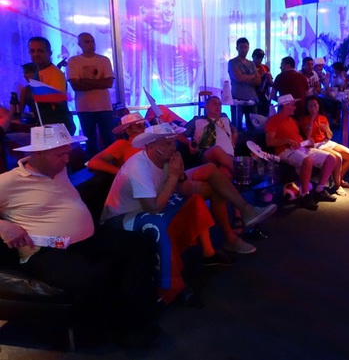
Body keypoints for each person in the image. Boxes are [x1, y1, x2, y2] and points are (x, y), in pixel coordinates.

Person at [0, 123, 158, 345]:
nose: (67, 159)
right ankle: (117, 331)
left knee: (141, 245)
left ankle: (136, 316)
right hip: (45, 251)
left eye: (68, 153)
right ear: (38, 153)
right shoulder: (9, 181)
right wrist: (3, 226)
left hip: (86, 239)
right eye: (60, 154)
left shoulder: (58, 170)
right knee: (92, 276)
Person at [102, 123, 239, 304]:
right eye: (166, 144)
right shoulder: (139, 167)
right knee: (157, 224)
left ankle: (209, 253)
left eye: (173, 142)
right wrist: (173, 177)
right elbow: (154, 208)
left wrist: (180, 175)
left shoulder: (166, 161)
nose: (172, 147)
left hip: (147, 205)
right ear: (151, 146)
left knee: (194, 200)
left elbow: (186, 191)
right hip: (121, 217)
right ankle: (172, 286)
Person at [265, 94, 337, 211]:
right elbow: (270, 142)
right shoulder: (273, 120)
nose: (295, 107)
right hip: (284, 150)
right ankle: (305, 195)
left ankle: (320, 189)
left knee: (331, 158)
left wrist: (308, 141)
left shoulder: (293, 120)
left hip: (301, 148)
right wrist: (287, 141)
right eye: (292, 105)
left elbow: (299, 138)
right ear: (285, 106)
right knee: (307, 160)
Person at [67, 33, 116, 158]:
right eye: (87, 42)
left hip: (104, 106)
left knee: (109, 138)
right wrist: (100, 83)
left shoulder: (104, 60)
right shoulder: (73, 61)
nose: (91, 44)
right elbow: (75, 85)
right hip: (84, 107)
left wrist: (84, 81)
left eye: (92, 41)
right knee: (89, 139)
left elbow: (109, 83)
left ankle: (112, 162)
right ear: (80, 44)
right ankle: (93, 164)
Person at [300, 96, 349, 195]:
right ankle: (338, 185)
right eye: (310, 106)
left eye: (315, 105)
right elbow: (307, 135)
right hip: (316, 145)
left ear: (318, 106)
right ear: (307, 107)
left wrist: (326, 129)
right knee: (338, 157)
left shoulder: (323, 118)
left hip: (326, 142)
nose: (313, 108)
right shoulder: (305, 119)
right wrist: (312, 119)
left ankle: (338, 178)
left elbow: (329, 136)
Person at [27, 37, 76, 135]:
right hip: (48, 126)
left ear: (49, 53)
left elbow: (57, 99)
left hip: (58, 127)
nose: (35, 54)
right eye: (32, 51)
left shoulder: (55, 73)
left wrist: (36, 92)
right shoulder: (39, 71)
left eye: (40, 51)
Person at [185, 95, 237, 177]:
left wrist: (235, 134)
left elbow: (233, 128)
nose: (218, 106)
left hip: (227, 154)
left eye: (220, 104)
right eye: (214, 104)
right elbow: (178, 134)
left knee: (225, 172)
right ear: (206, 106)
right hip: (206, 154)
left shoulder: (224, 117)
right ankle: (243, 173)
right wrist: (188, 142)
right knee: (216, 149)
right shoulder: (197, 120)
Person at [228, 37, 260, 130]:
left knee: (253, 127)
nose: (243, 49)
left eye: (245, 47)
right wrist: (252, 76)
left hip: (251, 98)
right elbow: (239, 78)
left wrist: (246, 77)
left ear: (248, 48)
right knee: (237, 127)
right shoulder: (232, 62)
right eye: (241, 47)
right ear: (237, 48)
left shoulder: (251, 63)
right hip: (237, 99)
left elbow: (258, 81)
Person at [252, 48, 273, 117]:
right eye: (257, 57)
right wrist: (261, 76)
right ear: (253, 56)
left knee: (265, 115)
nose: (259, 60)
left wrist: (268, 78)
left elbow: (271, 82)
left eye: (261, 58)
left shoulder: (265, 67)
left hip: (264, 94)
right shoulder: (250, 67)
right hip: (253, 94)